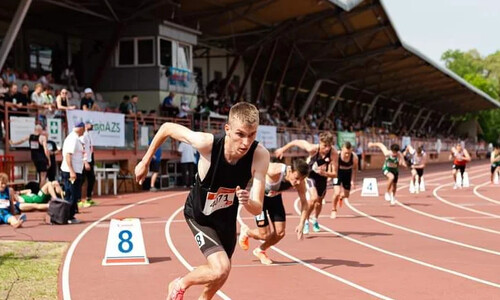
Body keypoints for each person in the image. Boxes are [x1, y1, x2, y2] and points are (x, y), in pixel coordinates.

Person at [135, 102, 269, 300]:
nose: (246, 142)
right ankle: (179, 284)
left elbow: (257, 206)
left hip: (225, 219)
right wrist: (145, 161)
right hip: (199, 215)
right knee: (220, 268)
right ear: (227, 129)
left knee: (222, 272)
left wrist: (247, 201)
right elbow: (167, 128)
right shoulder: (207, 143)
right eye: (240, 134)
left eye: (252, 135)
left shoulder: (260, 155)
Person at [238, 159, 310, 265]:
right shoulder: (274, 170)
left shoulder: (300, 183)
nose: (298, 182)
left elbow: (304, 203)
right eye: (297, 178)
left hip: (275, 198)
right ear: (290, 171)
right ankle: (247, 232)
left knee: (280, 233)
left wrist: (301, 223)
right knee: (265, 235)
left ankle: (260, 250)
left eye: (302, 179)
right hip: (259, 198)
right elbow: (256, 164)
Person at [274, 132, 338, 234]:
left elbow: (335, 174)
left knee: (319, 202)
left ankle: (315, 219)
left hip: (322, 177)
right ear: (319, 143)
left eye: (329, 146)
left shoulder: (333, 153)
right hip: (310, 175)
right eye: (324, 146)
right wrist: (283, 149)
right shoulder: (312, 148)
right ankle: (306, 221)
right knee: (314, 198)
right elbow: (296, 141)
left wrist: (324, 173)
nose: (327, 149)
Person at [61, 122, 85, 224]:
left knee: (74, 194)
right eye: (83, 129)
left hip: (75, 170)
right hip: (71, 171)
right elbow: (68, 155)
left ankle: (70, 215)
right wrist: (72, 171)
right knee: (71, 194)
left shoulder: (75, 139)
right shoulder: (73, 139)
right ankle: (68, 216)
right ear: (81, 128)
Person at [331, 141, 358, 219]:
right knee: (336, 192)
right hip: (338, 174)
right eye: (345, 153)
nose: (347, 155)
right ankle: (334, 210)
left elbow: (355, 169)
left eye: (349, 153)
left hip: (347, 174)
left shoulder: (354, 157)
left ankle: (341, 197)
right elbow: (331, 164)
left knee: (346, 195)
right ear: (342, 149)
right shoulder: (337, 155)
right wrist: (331, 174)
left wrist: (353, 180)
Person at [80, 120, 96, 207]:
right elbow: (82, 149)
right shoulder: (83, 136)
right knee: (81, 180)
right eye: (90, 124)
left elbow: (90, 148)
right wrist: (85, 161)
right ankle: (78, 199)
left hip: (90, 159)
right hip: (84, 160)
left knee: (92, 179)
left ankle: (88, 197)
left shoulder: (89, 135)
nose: (92, 126)